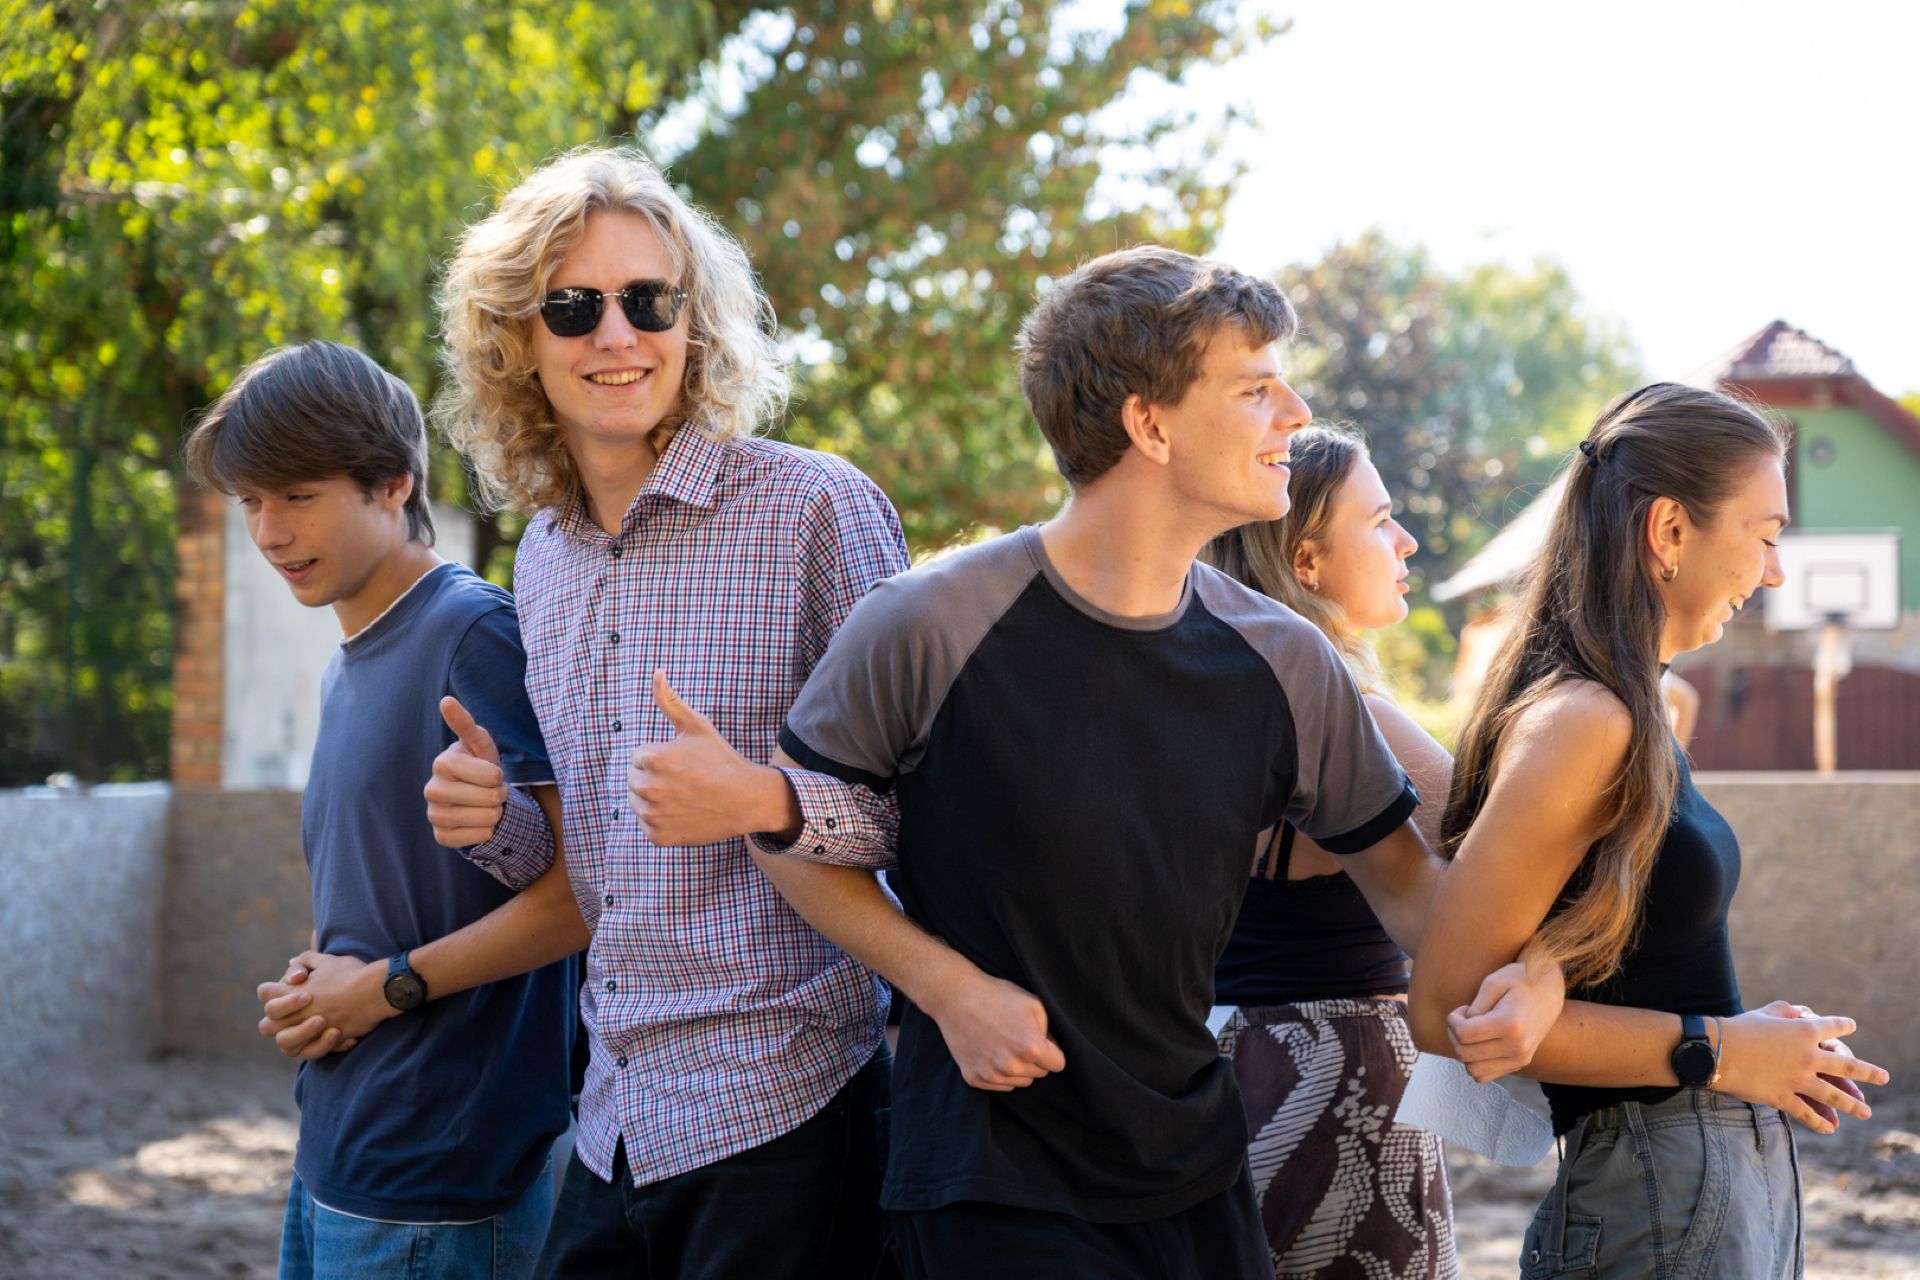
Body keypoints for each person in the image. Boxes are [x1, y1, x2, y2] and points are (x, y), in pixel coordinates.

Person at [620, 245, 1558, 1279]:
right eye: (1254, 389)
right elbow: (791, 836)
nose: (1294, 413)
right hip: (989, 1182)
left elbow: (1414, 894)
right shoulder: (924, 624)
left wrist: (1539, 968)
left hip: (1197, 1174)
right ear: (1149, 425)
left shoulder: (1289, 661)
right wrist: (947, 989)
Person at [261, 145, 908, 1279]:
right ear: (517, 340)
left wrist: (764, 799)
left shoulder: (815, 508)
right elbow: (589, 873)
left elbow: (928, 807)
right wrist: (498, 824)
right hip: (610, 1120)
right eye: (574, 307)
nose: (618, 335)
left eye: (649, 301)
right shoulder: (546, 558)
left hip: (789, 1110)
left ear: (694, 323)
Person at [1409, 382, 1892, 1278]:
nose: (1775, 573)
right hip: (1660, 1196)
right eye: (1765, 536)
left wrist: (1738, 1035)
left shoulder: (1634, 709)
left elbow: (1615, 958)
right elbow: (1447, 1011)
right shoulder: (1585, 720)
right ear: (1670, 530)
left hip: (1695, 1187)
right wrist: (1720, 1048)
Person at [187, 340, 575, 1280]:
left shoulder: (473, 634)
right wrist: (320, 986)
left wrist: (381, 988)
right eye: (251, 502)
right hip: (340, 1137)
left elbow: (577, 897)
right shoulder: (345, 663)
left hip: (443, 1168)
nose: (270, 531)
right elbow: (397, 897)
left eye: (298, 495)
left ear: (394, 483)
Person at [1203, 423, 1461, 1277]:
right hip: (1335, 1076)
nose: (1406, 541)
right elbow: (1505, 863)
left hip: (1213, 1068)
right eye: (1381, 520)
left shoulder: (1202, 699)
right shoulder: (1352, 713)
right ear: (1306, 560)